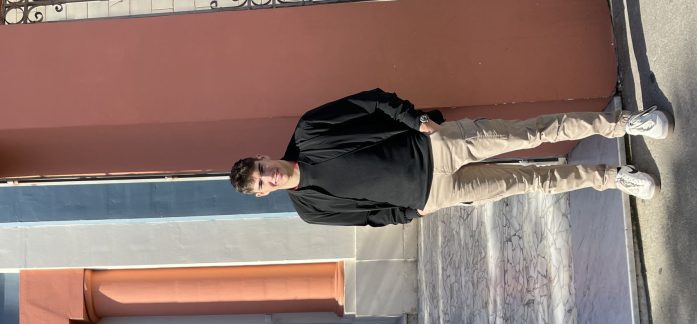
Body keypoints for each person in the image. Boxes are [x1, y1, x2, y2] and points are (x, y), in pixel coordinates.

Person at [229, 88, 671, 227]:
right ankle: (614, 177)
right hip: (436, 195)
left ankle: (626, 123)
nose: (270, 177)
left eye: (262, 169)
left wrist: (416, 120)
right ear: (263, 194)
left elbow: (371, 101)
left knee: (535, 133)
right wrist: (411, 213)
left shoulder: (309, 130)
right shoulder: (311, 211)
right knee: (532, 182)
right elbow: (368, 217)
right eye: (262, 184)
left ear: (264, 157)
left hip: (437, 145)